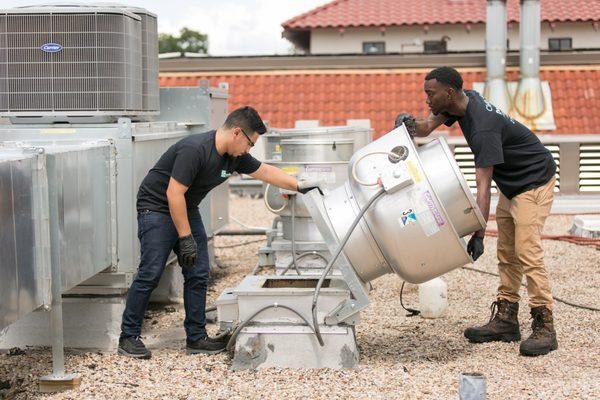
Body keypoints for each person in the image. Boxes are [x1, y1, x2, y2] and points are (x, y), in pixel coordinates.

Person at [118, 106, 321, 359]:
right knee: (151, 271)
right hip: (157, 207)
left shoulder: (234, 157)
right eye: (250, 143)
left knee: (198, 273)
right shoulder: (195, 150)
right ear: (237, 132)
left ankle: (196, 338)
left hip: (186, 207)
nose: (249, 150)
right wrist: (185, 237)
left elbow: (266, 171)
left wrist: (301, 185)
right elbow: (173, 193)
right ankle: (128, 337)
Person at [394, 67, 558, 357]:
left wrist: (478, 233)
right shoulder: (461, 101)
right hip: (512, 183)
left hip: (534, 180)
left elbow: (482, 188)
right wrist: (407, 124)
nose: (427, 99)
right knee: (507, 253)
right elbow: (425, 128)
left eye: (430, 93)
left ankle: (545, 326)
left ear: (448, 92)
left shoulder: (483, 126)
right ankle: (507, 320)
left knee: (527, 251)